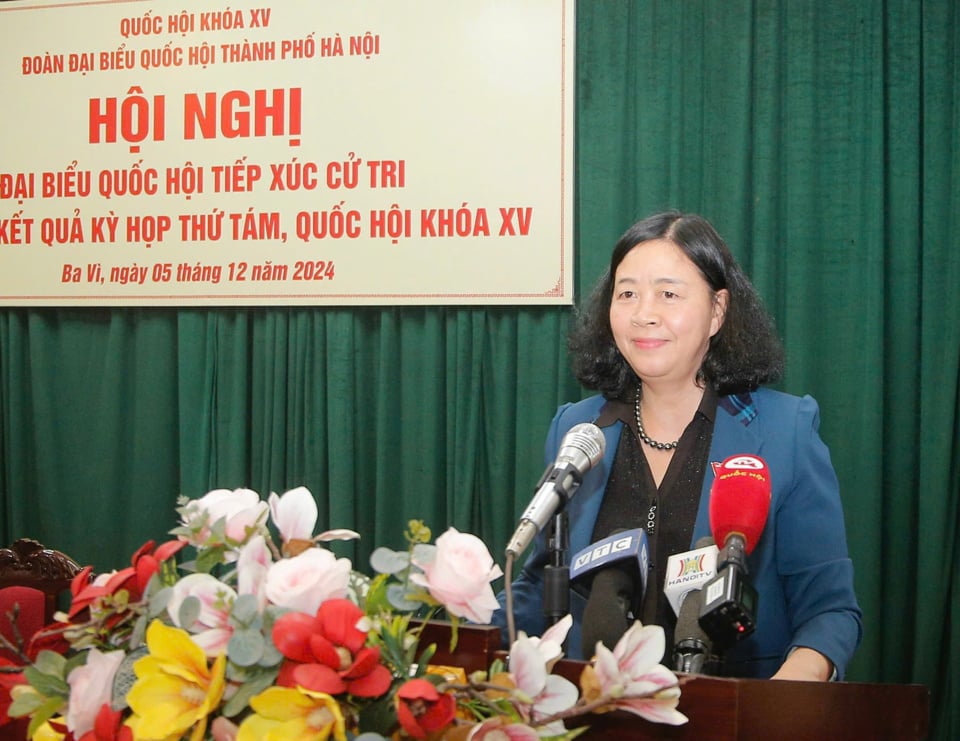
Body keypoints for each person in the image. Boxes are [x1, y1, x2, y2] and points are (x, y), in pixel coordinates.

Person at [491, 211, 862, 681]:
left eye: (668, 294)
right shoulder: (580, 430)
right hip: (597, 713)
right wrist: (454, 635)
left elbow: (829, 612)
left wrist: (778, 703)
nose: (644, 313)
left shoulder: (784, 431)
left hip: (736, 715)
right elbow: (541, 585)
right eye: (627, 294)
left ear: (717, 311)